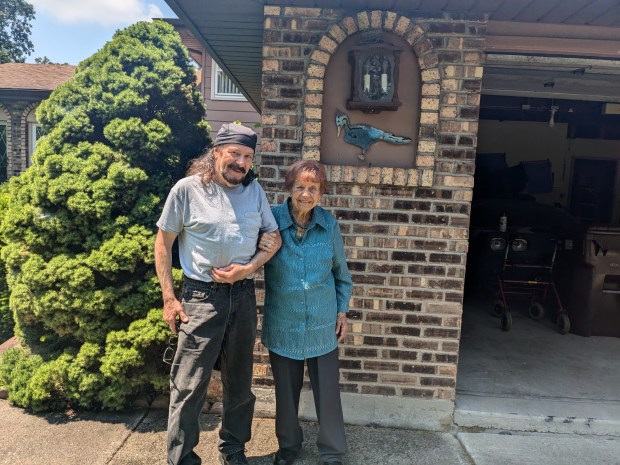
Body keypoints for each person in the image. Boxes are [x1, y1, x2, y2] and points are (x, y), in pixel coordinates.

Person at [154, 123, 282, 465]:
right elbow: (163, 244)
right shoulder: (187, 190)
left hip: (242, 297)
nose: (241, 163)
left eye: (247, 156)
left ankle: (233, 449)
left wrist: (249, 267)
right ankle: (181, 459)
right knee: (189, 385)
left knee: (240, 383)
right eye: (235, 154)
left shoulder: (254, 192)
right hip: (199, 299)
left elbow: (274, 238)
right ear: (216, 153)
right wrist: (169, 298)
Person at [258, 160, 352, 465]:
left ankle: (333, 452)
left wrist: (342, 312)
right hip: (283, 321)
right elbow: (251, 261)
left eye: (313, 188)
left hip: (323, 323)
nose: (306, 194)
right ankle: (288, 447)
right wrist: (259, 247)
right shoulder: (271, 220)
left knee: (328, 393)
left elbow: (341, 274)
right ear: (290, 188)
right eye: (300, 187)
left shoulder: (329, 224)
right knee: (285, 393)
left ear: (321, 192)